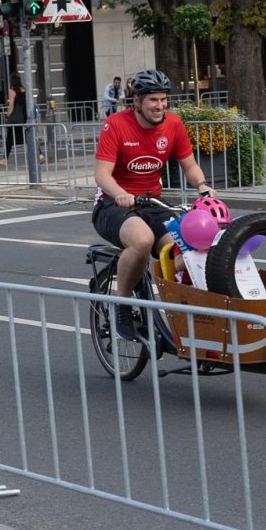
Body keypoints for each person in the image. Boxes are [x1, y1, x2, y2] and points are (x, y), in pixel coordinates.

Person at [92, 68, 217, 339]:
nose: (159, 106)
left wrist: (203, 186)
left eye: (163, 99)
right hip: (113, 204)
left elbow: (190, 165)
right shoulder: (116, 125)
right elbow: (102, 174)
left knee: (186, 252)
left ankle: (181, 314)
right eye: (152, 100)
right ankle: (122, 305)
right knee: (142, 240)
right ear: (136, 100)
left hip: (153, 202)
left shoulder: (173, 125)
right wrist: (120, 193)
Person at [0, 72, 43, 166]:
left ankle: (4, 159)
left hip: (15, 119)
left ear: (12, 81)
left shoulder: (12, 91)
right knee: (27, 137)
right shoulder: (24, 90)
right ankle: (40, 155)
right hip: (24, 117)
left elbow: (11, 105)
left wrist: (7, 115)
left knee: (10, 139)